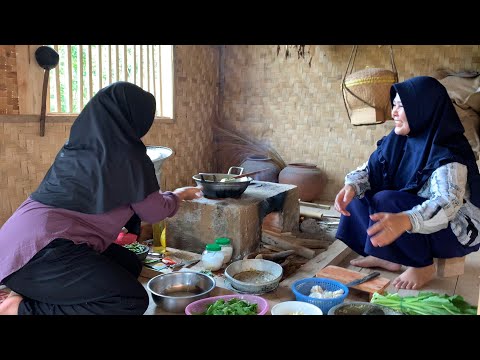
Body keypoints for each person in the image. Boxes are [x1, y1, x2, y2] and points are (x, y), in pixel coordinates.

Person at [0, 82, 202, 315]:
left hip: (14, 248)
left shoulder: (76, 148)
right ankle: (20, 309)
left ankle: (29, 291)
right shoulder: (130, 158)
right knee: (129, 300)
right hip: (43, 254)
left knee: (129, 265)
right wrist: (179, 195)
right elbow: (153, 212)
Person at [335, 76, 480, 290]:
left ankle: (422, 266)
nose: (393, 112)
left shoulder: (446, 152)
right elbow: (368, 170)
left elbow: (447, 203)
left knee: (387, 200)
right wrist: (351, 186)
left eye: (402, 107)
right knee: (358, 196)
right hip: (422, 223)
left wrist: (405, 220)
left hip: (455, 230)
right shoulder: (397, 141)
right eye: (394, 105)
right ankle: (388, 257)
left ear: (423, 109)